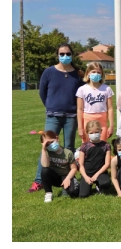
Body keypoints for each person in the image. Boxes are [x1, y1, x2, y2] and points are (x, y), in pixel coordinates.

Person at [30, 43, 84, 192]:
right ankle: (39, 181)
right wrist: (50, 105)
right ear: (57, 55)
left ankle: (68, 178)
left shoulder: (77, 74)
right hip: (53, 116)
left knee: (69, 149)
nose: (65, 56)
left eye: (68, 54)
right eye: (62, 54)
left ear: (72, 55)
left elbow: (83, 92)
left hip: (71, 117)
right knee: (47, 148)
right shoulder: (49, 72)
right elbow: (43, 92)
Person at [76, 62, 114, 143]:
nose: (96, 74)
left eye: (98, 72)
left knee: (102, 144)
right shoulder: (82, 89)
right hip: (87, 119)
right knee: (87, 145)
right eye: (93, 72)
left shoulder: (107, 89)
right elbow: (79, 109)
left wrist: (111, 126)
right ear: (88, 73)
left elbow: (110, 108)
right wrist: (80, 127)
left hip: (102, 119)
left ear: (102, 74)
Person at [39, 130, 78, 203]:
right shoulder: (47, 152)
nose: (50, 145)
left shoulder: (68, 153)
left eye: (51, 142)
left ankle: (65, 188)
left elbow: (74, 168)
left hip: (66, 176)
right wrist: (44, 149)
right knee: (45, 170)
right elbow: (45, 165)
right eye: (47, 144)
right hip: (54, 177)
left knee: (74, 193)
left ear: (57, 138)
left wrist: (68, 179)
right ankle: (48, 193)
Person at [78, 119, 112, 198]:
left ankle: (99, 185)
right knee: (83, 195)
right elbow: (81, 165)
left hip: (100, 172)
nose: (94, 134)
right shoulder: (84, 146)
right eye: (91, 133)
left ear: (101, 131)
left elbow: (107, 164)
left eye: (96, 132)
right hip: (87, 173)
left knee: (106, 183)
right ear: (87, 133)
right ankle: (87, 185)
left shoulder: (106, 145)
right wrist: (86, 177)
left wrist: (97, 175)